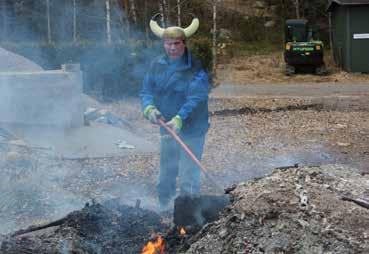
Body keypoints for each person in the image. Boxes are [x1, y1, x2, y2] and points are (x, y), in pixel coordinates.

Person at [140, 15, 210, 210]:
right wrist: (149, 109)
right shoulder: (156, 65)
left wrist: (180, 119)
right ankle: (164, 209)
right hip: (167, 128)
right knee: (166, 174)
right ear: (163, 43)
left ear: (184, 43)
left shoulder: (195, 66)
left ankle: (187, 217)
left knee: (189, 175)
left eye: (176, 43)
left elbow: (196, 98)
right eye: (168, 43)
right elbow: (146, 91)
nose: (172, 48)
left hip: (193, 128)